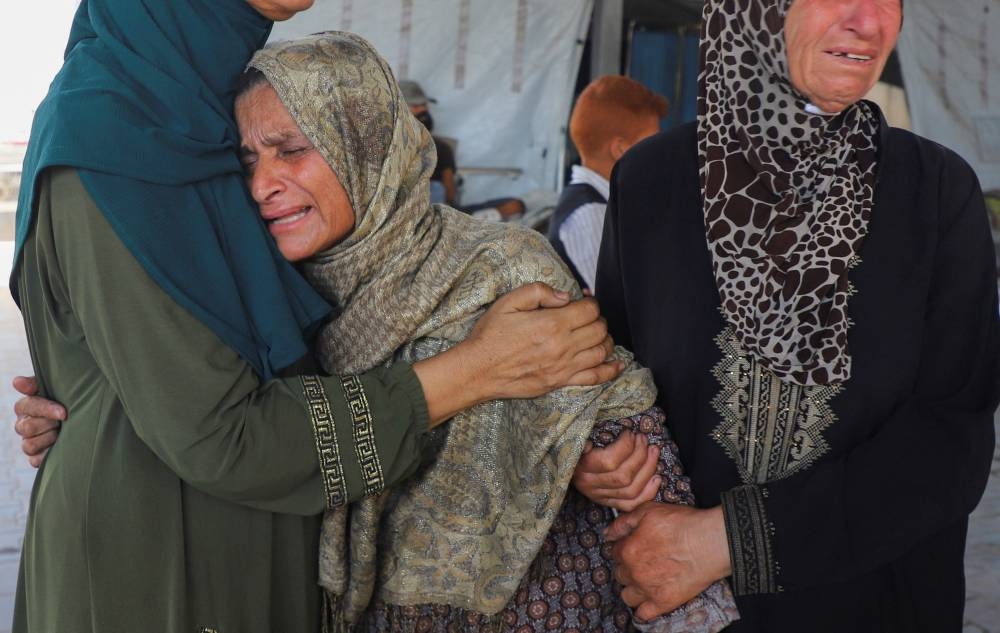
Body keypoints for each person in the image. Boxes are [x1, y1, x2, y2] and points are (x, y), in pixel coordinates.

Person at [14, 26, 740, 633]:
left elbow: (623, 438)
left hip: (526, 607)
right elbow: (213, 415)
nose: (264, 183)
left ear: (367, 141)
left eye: (292, 149)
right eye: (246, 161)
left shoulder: (496, 270)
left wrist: (593, 462)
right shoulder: (260, 297)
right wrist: (85, 408)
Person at [576, 0, 1000, 631]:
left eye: (890, 0)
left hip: (877, 604)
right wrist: (595, 454)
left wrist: (729, 541)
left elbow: (952, 434)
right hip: (687, 610)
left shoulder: (936, 191)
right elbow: (611, 380)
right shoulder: (651, 182)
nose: (869, 21)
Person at [548, 76, 667, 292]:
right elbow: (623, 303)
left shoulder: (605, 203)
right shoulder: (590, 214)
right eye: (652, 142)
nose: (659, 154)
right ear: (620, 149)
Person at [399, 79, 526, 221]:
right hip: (408, 218)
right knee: (434, 188)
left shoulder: (441, 147)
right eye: (415, 106)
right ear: (400, 109)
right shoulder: (386, 146)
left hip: (441, 214)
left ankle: (469, 222)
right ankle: (468, 223)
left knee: (515, 205)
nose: (422, 110)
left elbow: (450, 195)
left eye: (424, 105)